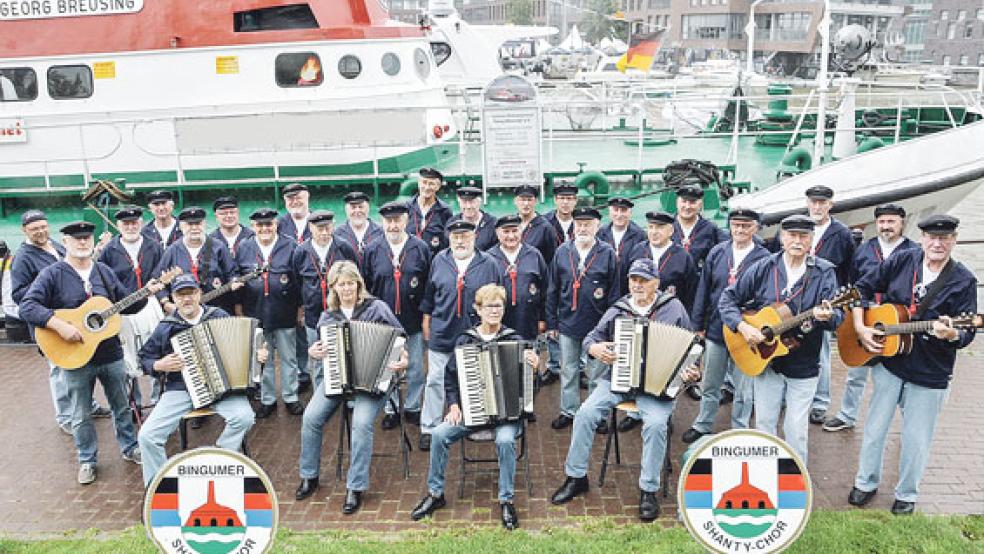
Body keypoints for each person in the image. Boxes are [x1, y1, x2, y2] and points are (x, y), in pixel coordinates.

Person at [550, 258, 698, 521]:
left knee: (654, 425)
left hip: (657, 389)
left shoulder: (673, 309)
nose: (637, 285)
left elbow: (691, 351)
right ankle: (576, 476)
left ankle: (648, 490)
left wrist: (691, 372)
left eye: (643, 280)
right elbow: (591, 338)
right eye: (634, 280)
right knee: (585, 413)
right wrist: (594, 349)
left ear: (657, 284)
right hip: (617, 381)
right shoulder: (619, 308)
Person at [848, 215, 976, 515]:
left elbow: (968, 330)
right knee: (875, 427)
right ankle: (865, 483)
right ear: (921, 238)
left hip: (930, 370)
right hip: (890, 362)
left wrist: (953, 332)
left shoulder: (963, 280)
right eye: (932, 237)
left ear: (954, 241)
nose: (937, 243)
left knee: (917, 438)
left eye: (945, 238)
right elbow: (861, 289)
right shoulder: (902, 261)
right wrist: (861, 327)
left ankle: (907, 494)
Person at [20, 221, 165, 484]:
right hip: (74, 357)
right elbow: (28, 306)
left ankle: (129, 447)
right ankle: (87, 460)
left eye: (87, 238)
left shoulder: (104, 272)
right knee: (80, 413)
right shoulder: (53, 274)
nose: (83, 243)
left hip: (110, 353)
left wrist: (146, 294)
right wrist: (59, 325)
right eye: (76, 239)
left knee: (121, 405)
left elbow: (126, 305)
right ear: (65, 243)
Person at [410, 284, 539, 529]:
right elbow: (450, 378)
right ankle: (436, 494)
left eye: (498, 306)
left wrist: (535, 370)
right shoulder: (465, 340)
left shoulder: (515, 340)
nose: (494, 310)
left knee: (504, 441)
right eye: (488, 306)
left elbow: (531, 390)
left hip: (507, 416)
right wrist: (454, 405)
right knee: (438, 434)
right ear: (478, 309)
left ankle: (506, 500)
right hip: (472, 413)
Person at [719, 214, 841, 465]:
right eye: (792, 235)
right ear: (782, 238)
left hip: (803, 364)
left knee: (796, 428)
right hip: (767, 362)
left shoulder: (824, 272)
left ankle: (796, 483)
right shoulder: (765, 267)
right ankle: (766, 478)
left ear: (811, 240)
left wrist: (826, 316)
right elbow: (727, 299)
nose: (797, 240)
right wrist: (742, 327)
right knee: (764, 423)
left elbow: (837, 317)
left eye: (803, 236)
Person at [296, 261, 408, 514]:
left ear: (359, 284)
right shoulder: (328, 316)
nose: (346, 289)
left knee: (361, 422)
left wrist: (403, 359)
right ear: (333, 287)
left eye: (350, 283)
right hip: (338, 378)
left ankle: (355, 486)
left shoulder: (377, 308)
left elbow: (400, 338)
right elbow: (319, 351)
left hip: (374, 380)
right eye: (341, 284)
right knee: (311, 417)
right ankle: (309, 476)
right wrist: (313, 352)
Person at [136, 275, 263, 487]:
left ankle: (220, 458)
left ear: (199, 294)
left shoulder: (219, 315)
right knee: (147, 436)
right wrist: (159, 365)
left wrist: (258, 357)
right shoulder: (167, 326)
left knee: (245, 417)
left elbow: (246, 348)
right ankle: (158, 488)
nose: (186, 299)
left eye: (191, 293)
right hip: (181, 389)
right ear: (173, 298)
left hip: (224, 388)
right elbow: (144, 358)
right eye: (180, 295)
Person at [823, 204, 918, 432]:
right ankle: (847, 414)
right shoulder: (863, 251)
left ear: (902, 223)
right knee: (856, 371)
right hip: (865, 315)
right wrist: (857, 319)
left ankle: (910, 423)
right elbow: (854, 286)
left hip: (896, 319)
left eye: (891, 222)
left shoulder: (914, 253)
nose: (885, 226)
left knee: (900, 374)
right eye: (881, 222)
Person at [11, 210, 108, 431]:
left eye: (43, 226)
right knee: (59, 370)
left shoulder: (57, 245)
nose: (41, 232)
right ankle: (65, 416)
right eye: (35, 229)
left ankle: (88, 405)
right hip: (50, 325)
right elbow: (19, 296)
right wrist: (46, 289)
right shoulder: (22, 258)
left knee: (80, 365)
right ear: (24, 230)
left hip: (75, 319)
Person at [681, 208, 770, 443]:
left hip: (746, 330)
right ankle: (703, 423)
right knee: (711, 381)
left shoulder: (764, 258)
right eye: (735, 225)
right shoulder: (717, 252)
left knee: (743, 387)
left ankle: (739, 427)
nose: (740, 230)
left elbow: (766, 296)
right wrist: (697, 324)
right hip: (716, 328)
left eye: (746, 226)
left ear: (755, 228)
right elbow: (704, 289)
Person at [418, 220, 504, 450]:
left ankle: (479, 421)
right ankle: (429, 426)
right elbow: (429, 295)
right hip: (443, 330)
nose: (460, 240)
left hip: (475, 335)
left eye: (465, 235)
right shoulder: (439, 260)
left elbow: (499, 301)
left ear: (474, 236)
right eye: (455, 236)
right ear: (449, 237)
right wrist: (427, 322)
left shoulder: (489, 263)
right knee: (435, 380)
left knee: (480, 380)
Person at [546, 207, 618, 432]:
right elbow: (553, 288)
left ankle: (595, 415)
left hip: (598, 326)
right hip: (568, 322)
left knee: (597, 373)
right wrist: (551, 322)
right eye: (579, 224)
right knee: (568, 370)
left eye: (588, 224)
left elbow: (614, 292)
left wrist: (611, 326)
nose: (583, 228)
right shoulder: (562, 251)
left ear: (598, 226)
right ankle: (569, 411)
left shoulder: (607, 253)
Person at [363, 202, 432, 430]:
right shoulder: (372, 249)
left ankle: (412, 406)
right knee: (387, 367)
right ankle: (391, 408)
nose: (393, 225)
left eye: (397, 220)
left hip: (412, 319)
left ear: (406, 220)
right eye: (388, 221)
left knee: (414, 367)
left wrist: (425, 318)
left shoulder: (420, 247)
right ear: (382, 222)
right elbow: (366, 287)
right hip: (383, 324)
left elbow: (428, 286)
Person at [236, 208, 304, 418]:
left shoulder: (290, 245)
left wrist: (300, 309)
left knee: (289, 358)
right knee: (262, 359)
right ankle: (267, 399)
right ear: (254, 227)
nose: (265, 228)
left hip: (285, 312)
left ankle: (291, 396)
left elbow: (300, 280)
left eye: (269, 224)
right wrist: (239, 310)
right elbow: (238, 280)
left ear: (276, 225)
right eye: (260, 225)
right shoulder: (245, 247)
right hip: (255, 312)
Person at [797, 185, 855, 426]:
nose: (818, 207)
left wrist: (838, 300)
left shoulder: (841, 234)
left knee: (821, 350)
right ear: (808, 203)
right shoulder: (799, 228)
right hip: (796, 300)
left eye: (823, 203)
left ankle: (820, 403)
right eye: (814, 202)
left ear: (830, 204)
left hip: (825, 301)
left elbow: (848, 269)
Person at [97, 206, 165, 408]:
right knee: (127, 356)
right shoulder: (109, 250)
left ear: (141, 223)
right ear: (118, 225)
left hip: (150, 305)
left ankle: (158, 400)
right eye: (125, 223)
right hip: (123, 308)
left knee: (157, 350)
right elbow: (102, 279)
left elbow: (161, 273)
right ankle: (133, 402)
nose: (130, 226)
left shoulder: (154, 245)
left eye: (134, 222)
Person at [293, 210, 359, 394]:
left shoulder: (344, 247)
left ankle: (350, 395)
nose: (323, 232)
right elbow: (297, 283)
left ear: (333, 225)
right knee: (319, 358)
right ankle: (322, 395)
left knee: (347, 355)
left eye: (327, 227)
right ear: (310, 228)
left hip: (341, 313)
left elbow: (356, 276)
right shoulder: (301, 251)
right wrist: (301, 309)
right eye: (319, 228)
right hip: (314, 316)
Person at [153, 206, 239, 312]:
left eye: (198, 223)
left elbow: (232, 273)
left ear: (204, 224)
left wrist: (234, 281)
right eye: (189, 224)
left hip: (216, 309)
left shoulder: (218, 246)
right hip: (185, 313)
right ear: (181, 226)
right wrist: (166, 303)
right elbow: (158, 280)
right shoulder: (172, 250)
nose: (194, 228)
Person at [486, 214, 549, 343]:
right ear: (497, 233)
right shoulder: (488, 258)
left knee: (528, 360)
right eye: (506, 231)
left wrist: (543, 319)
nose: (511, 236)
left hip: (528, 323)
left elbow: (545, 289)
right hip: (497, 325)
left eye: (515, 231)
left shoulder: (534, 255)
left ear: (521, 231)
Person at [540, 183, 579, 386]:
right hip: (551, 279)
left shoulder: (582, 222)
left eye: (570, 198)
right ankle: (555, 365)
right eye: (562, 198)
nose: (565, 202)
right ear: (555, 200)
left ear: (575, 201)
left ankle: (579, 367)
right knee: (552, 321)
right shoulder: (545, 222)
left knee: (577, 321)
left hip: (576, 280)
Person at [625, 211, 699, 313]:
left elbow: (692, 293)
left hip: (671, 316)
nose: (654, 232)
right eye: (651, 227)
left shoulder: (683, 256)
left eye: (660, 227)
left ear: (671, 231)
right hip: (639, 314)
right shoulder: (637, 251)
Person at [208, 196, 255, 316]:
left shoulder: (252, 237)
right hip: (223, 301)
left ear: (238, 212)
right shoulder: (209, 241)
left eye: (232, 212)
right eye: (223, 213)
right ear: (216, 216)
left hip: (251, 297)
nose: (228, 216)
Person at [597, 197, 647, 299]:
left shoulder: (640, 235)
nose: (619, 215)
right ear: (609, 211)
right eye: (616, 210)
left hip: (629, 291)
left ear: (630, 213)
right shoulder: (600, 234)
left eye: (623, 210)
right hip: (604, 290)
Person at [672, 185, 727, 274]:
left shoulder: (710, 228)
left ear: (700, 205)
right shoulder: (666, 226)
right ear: (677, 203)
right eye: (684, 201)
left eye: (692, 202)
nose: (687, 206)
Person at [406, 167, 453, 255]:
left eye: (431, 184)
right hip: (410, 258)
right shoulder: (406, 207)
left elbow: (448, 241)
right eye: (424, 182)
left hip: (434, 260)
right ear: (419, 183)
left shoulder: (445, 211)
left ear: (438, 187)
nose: (427, 187)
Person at [513, 184, 561, 267]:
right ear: (515, 201)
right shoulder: (511, 224)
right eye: (522, 200)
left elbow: (552, 259)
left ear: (536, 201)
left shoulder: (545, 227)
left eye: (529, 200)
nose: (526, 204)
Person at [333, 191, 384, 268]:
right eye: (353, 208)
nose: (357, 211)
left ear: (368, 209)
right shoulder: (337, 234)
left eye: (361, 207)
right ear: (346, 210)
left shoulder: (381, 232)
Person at [446, 186, 498, 252]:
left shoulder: (492, 222)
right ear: (459, 202)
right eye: (464, 202)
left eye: (472, 202)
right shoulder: (451, 222)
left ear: (480, 202)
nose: (468, 206)